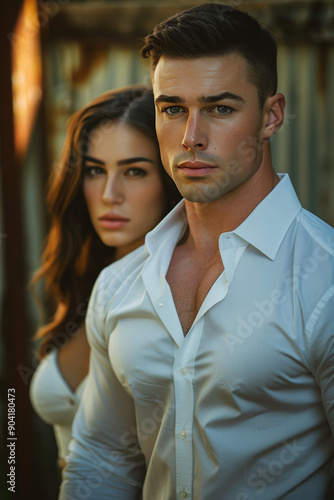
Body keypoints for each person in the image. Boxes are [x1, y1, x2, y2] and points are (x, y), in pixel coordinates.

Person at [59, 4, 334, 500]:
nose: (191, 138)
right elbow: (100, 461)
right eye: (173, 109)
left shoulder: (324, 280)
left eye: (220, 109)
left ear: (271, 116)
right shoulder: (119, 285)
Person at [29, 85, 181, 470]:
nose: (110, 194)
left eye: (134, 171)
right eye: (96, 170)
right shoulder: (88, 281)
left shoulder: (183, 295)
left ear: (168, 178)